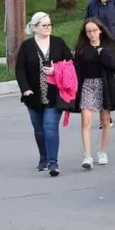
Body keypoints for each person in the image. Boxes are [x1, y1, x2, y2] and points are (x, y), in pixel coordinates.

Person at [16, 12, 74, 176]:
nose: (48, 28)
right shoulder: (26, 46)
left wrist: (56, 70)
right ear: (35, 27)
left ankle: (53, 163)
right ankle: (44, 157)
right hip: (33, 95)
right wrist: (25, 88)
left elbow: (70, 64)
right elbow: (20, 69)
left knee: (50, 126)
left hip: (55, 94)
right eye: (44, 25)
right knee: (39, 129)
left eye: (49, 25)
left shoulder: (58, 43)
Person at [74, 19, 115, 170]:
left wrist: (103, 54)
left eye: (94, 30)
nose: (92, 34)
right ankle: (87, 155)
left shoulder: (108, 46)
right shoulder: (82, 49)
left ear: (100, 30)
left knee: (105, 120)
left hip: (104, 84)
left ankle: (103, 151)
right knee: (86, 120)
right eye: (88, 31)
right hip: (88, 84)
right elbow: (77, 68)